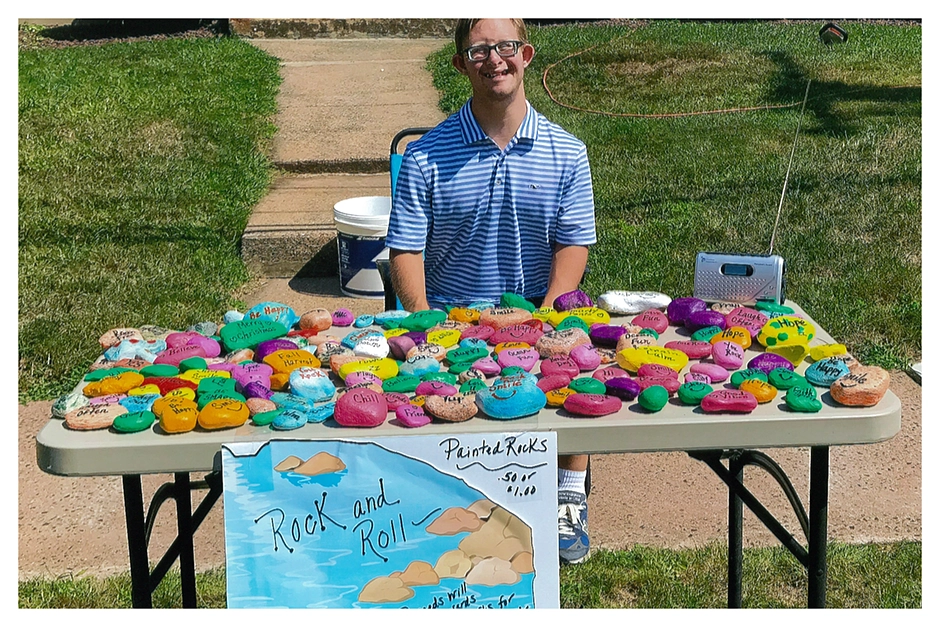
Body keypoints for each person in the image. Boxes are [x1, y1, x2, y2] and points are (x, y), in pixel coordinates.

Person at [385, 18, 597, 565]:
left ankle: (567, 496)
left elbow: (573, 243)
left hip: (538, 318)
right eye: (479, 50)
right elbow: (405, 248)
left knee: (574, 382)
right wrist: (424, 321)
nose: (494, 59)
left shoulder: (568, 152)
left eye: (505, 46)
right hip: (453, 325)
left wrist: (550, 316)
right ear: (460, 64)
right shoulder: (425, 157)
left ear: (526, 54)